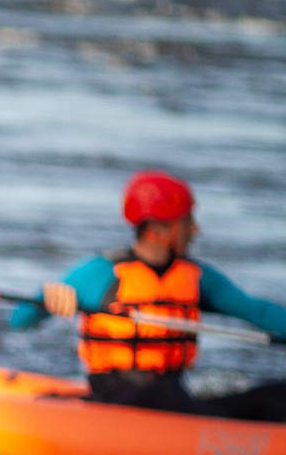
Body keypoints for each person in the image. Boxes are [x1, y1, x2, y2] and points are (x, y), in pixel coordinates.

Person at [16, 170, 286, 421]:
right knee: (158, 392)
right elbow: (19, 319)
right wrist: (48, 301)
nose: (196, 231)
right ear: (161, 229)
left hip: (172, 398)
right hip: (119, 396)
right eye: (188, 221)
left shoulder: (197, 277)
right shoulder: (100, 272)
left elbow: (257, 312)